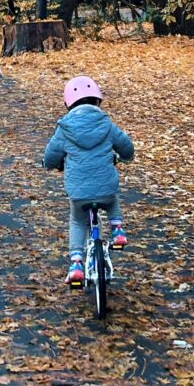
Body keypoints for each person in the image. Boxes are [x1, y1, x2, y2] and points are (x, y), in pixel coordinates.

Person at [43, 75, 134, 286]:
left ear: (68, 103)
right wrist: (125, 157)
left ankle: (76, 263)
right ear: (97, 100)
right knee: (111, 198)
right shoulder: (107, 125)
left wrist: (49, 164)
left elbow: (51, 157)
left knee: (77, 220)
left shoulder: (64, 130)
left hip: (78, 192)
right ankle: (117, 229)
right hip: (105, 188)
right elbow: (127, 148)